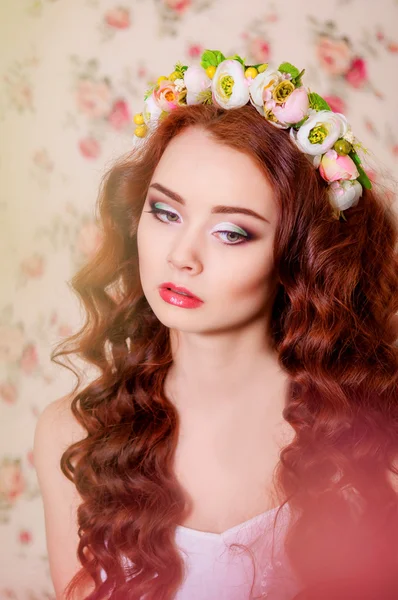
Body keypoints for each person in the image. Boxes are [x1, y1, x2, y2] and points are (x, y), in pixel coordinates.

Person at [33, 50, 398, 600]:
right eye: (166, 212)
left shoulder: (371, 436)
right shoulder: (74, 438)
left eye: (232, 232)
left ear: (299, 256)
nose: (182, 256)